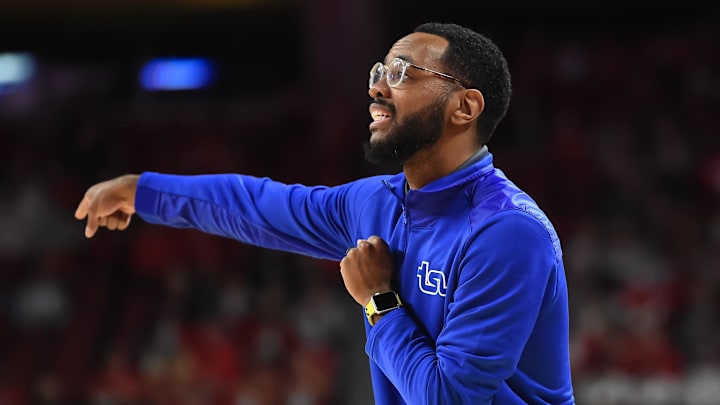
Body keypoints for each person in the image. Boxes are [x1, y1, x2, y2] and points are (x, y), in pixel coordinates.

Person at [74, 22, 575, 404]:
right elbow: (258, 207)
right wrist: (141, 191)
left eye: (402, 73)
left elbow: (447, 398)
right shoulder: (374, 202)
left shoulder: (506, 232)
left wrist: (378, 300)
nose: (378, 87)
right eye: (380, 71)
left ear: (464, 107)